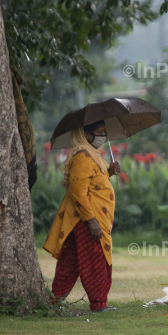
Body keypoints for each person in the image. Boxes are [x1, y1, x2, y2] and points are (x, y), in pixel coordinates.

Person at [43, 120, 121, 312]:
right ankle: (99, 304)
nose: (103, 136)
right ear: (86, 135)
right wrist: (91, 221)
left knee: (70, 263)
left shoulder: (92, 156)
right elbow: (79, 192)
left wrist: (109, 172)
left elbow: (93, 183)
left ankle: (54, 302)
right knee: (96, 261)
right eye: (99, 132)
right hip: (86, 221)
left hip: (85, 220)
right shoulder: (82, 157)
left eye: (104, 132)